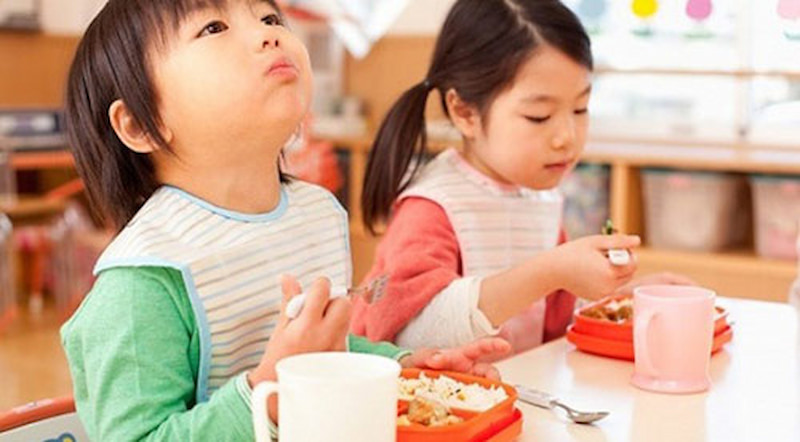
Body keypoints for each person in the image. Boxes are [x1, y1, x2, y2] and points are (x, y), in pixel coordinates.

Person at [61, 1, 510, 440]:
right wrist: (268, 391)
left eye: (270, 17)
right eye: (213, 28)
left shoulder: (314, 213)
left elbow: (330, 350)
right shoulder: (143, 279)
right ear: (141, 124)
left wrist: (402, 366)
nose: (269, 33)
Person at [352, 0, 693, 352]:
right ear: (464, 112)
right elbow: (412, 337)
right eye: (539, 116)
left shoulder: (538, 196)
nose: (567, 137)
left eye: (580, 109)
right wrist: (551, 270)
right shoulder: (433, 207)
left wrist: (621, 299)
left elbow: (553, 325)